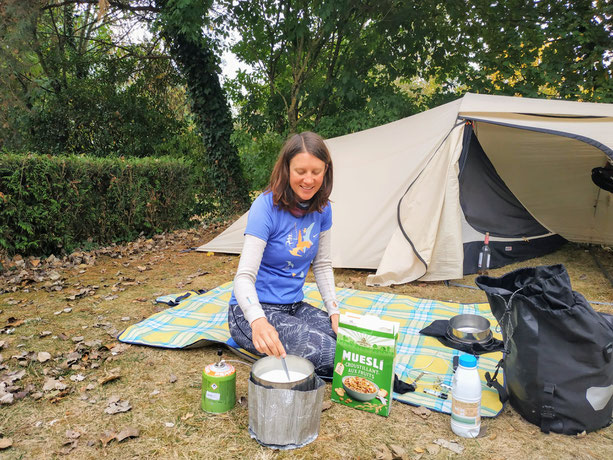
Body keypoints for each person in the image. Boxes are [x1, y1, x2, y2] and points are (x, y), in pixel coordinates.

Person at [228, 131, 338, 377]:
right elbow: (243, 277)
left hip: (293, 306)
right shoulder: (265, 207)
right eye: (300, 172)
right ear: (287, 169)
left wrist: (334, 312)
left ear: (326, 170)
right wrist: (257, 321)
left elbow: (321, 265)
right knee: (329, 353)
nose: (309, 180)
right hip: (252, 313)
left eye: (316, 172)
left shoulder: (323, 209)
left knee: (348, 340)